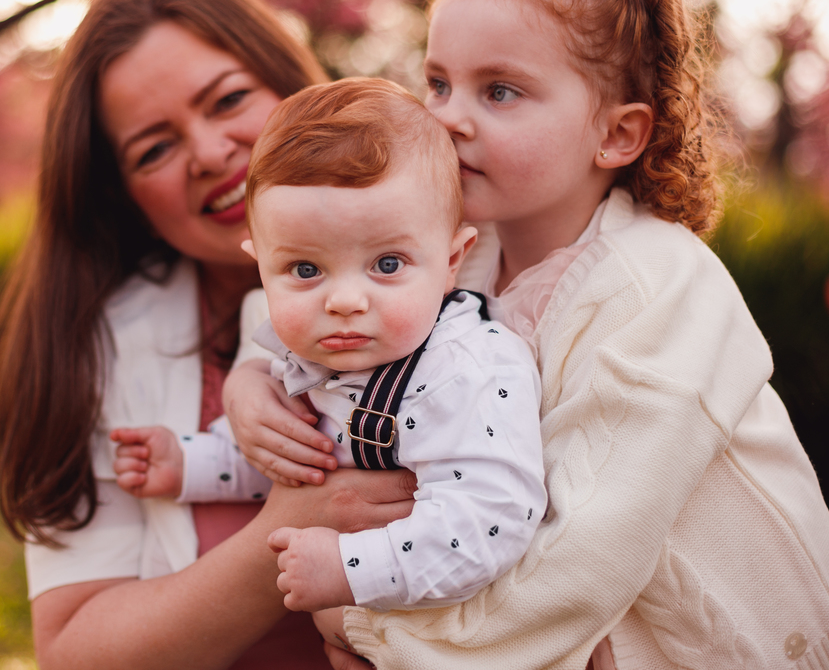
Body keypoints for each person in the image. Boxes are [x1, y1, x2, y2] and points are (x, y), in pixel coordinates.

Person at [224, 0, 829, 670]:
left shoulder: (654, 287)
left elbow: (582, 556)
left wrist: (371, 634)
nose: (448, 117)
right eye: (437, 82)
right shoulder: (472, 255)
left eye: (499, 91)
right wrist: (251, 376)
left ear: (617, 133)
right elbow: (319, 291)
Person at [0, 0, 420, 670]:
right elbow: (72, 651)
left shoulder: (465, 248)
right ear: (125, 198)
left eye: (228, 99)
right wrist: (292, 527)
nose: (211, 154)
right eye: (155, 148)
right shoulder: (100, 350)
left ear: (292, 85)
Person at [110, 78, 546, 656]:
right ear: (261, 268)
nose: (344, 300)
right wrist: (190, 461)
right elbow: (298, 458)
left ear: (451, 262)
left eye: (387, 263)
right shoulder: (320, 357)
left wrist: (349, 566)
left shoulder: (463, 373)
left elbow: (491, 523)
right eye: (306, 270)